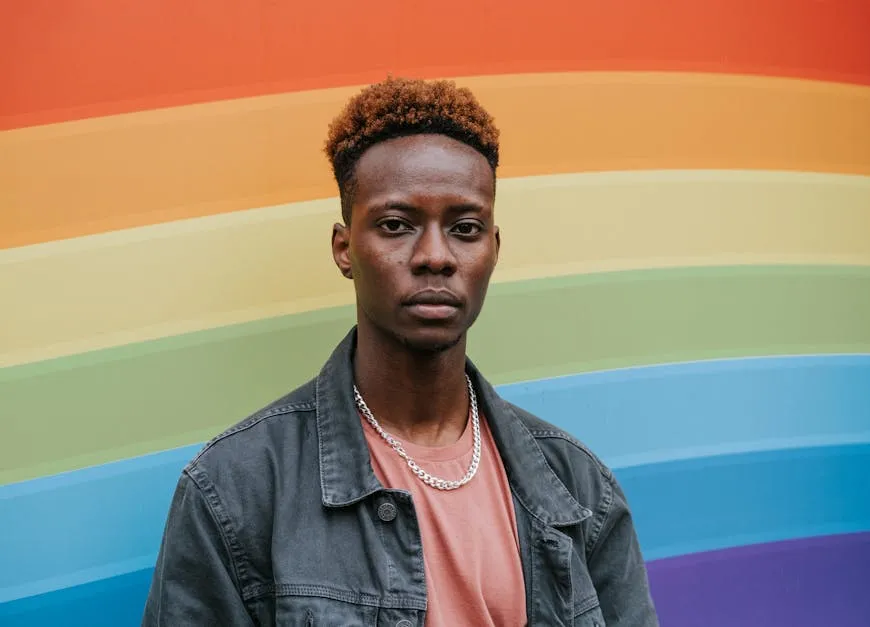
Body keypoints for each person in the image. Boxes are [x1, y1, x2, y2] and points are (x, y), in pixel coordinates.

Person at [142, 76, 659, 626]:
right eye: (396, 225)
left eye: (465, 228)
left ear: (493, 248)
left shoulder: (577, 487)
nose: (435, 256)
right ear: (345, 249)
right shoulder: (237, 488)